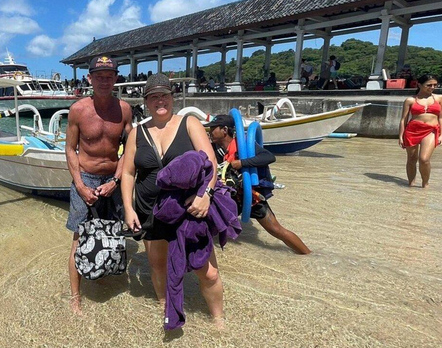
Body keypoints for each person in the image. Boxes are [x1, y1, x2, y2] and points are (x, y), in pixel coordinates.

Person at [120, 73, 225, 327]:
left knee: (207, 272)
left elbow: (210, 162)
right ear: (146, 101)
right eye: (153, 97)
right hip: (150, 210)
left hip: (189, 210)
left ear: (172, 97)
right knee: (157, 265)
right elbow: (128, 172)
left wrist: (205, 196)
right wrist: (128, 208)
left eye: (164, 95)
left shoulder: (189, 123)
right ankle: (164, 306)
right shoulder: (137, 133)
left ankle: (219, 322)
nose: (160, 101)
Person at [65, 54, 133, 315]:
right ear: (90, 78)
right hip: (87, 179)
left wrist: (117, 180)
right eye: (99, 76)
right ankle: (75, 297)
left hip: (113, 181)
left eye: (109, 76)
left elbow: (130, 147)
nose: (104, 81)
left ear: (116, 78)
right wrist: (81, 186)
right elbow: (70, 150)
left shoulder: (124, 109)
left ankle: (103, 277)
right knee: (79, 238)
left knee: (112, 235)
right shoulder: (79, 110)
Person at [207, 115, 311, 255]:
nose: (210, 131)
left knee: (276, 229)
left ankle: (307, 254)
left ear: (224, 130)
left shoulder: (243, 145)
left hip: (251, 198)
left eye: (213, 128)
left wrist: (242, 163)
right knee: (204, 223)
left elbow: (269, 157)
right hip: (229, 197)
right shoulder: (214, 149)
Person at [399, 74, 442, 188]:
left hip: (431, 130)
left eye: (435, 85)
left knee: (424, 159)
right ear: (419, 85)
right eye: (429, 85)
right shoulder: (410, 100)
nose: (432, 87)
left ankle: (425, 184)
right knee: (411, 159)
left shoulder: (440, 98)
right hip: (412, 131)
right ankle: (411, 185)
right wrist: (401, 136)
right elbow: (404, 119)